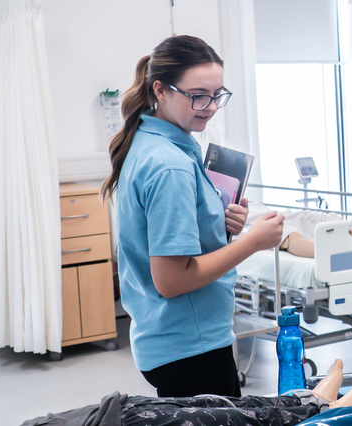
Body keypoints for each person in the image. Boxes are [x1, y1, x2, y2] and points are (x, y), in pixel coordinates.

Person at [103, 35, 285, 398]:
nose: (211, 106)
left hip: (170, 340)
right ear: (161, 89)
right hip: (191, 346)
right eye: (198, 95)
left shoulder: (153, 143)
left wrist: (218, 225)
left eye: (218, 95)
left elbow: (168, 239)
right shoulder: (170, 165)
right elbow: (171, 280)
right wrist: (252, 242)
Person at [15, 360, 352, 426]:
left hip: (112, 413)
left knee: (220, 404)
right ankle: (325, 411)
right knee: (234, 422)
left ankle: (304, 399)